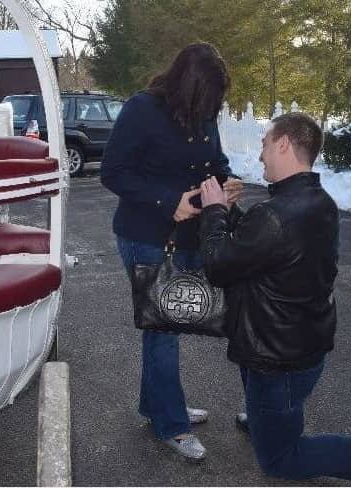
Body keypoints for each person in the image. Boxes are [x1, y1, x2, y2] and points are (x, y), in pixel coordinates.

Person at [199, 112, 351, 485]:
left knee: (281, 460)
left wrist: (215, 212)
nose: (260, 155)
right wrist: (233, 213)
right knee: (275, 409)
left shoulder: (275, 214)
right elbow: (261, 251)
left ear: (284, 143)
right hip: (297, 343)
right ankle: (265, 419)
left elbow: (219, 266)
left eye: (265, 144)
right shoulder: (319, 202)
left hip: (276, 356)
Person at [100, 42, 243, 461]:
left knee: (163, 324)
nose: (210, 108)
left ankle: (158, 406)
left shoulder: (204, 113)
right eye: (206, 98)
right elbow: (113, 172)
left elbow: (215, 161)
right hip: (145, 235)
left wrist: (227, 180)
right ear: (187, 85)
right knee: (163, 331)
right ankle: (171, 426)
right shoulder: (143, 109)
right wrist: (167, 200)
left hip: (189, 237)